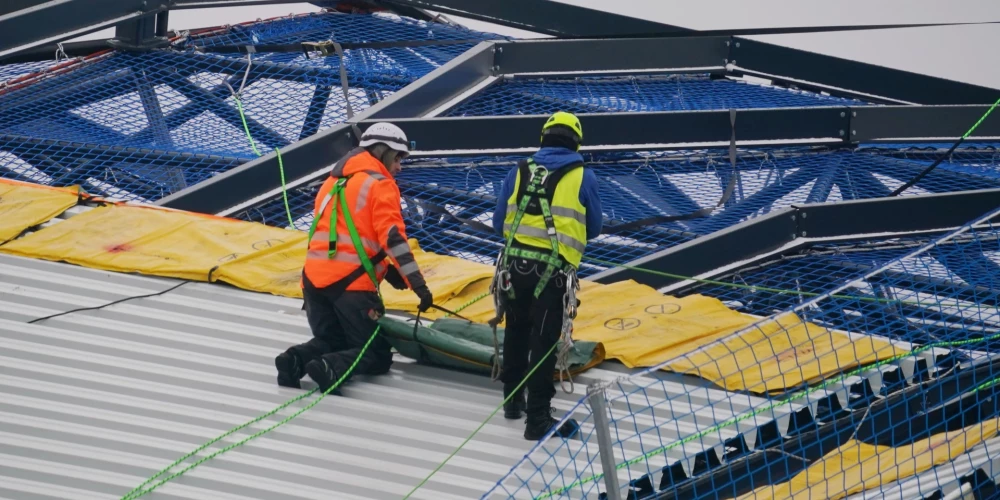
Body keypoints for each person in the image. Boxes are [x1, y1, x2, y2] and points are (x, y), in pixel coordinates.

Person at [275, 122, 434, 394]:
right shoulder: (381, 185)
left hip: (313, 284)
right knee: (375, 355)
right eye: (397, 158)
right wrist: (418, 284)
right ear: (382, 152)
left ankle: (295, 360)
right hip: (352, 288)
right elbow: (394, 238)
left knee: (332, 339)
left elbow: (347, 232)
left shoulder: (332, 182)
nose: (399, 167)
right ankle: (330, 368)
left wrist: (387, 268)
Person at [492, 111, 603, 440]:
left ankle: (513, 402)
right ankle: (537, 418)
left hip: (514, 268)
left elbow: (499, 223)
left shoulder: (519, 170)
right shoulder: (583, 176)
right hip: (551, 274)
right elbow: (593, 227)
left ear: (543, 138)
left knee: (516, 329)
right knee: (543, 342)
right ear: (576, 142)